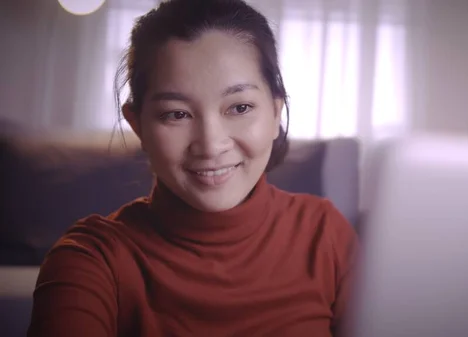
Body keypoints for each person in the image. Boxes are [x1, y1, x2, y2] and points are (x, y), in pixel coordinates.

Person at [27, 0, 359, 336]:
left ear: (275, 113)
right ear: (138, 125)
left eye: (240, 107)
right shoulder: (91, 259)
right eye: (177, 114)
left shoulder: (325, 234)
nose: (211, 144)